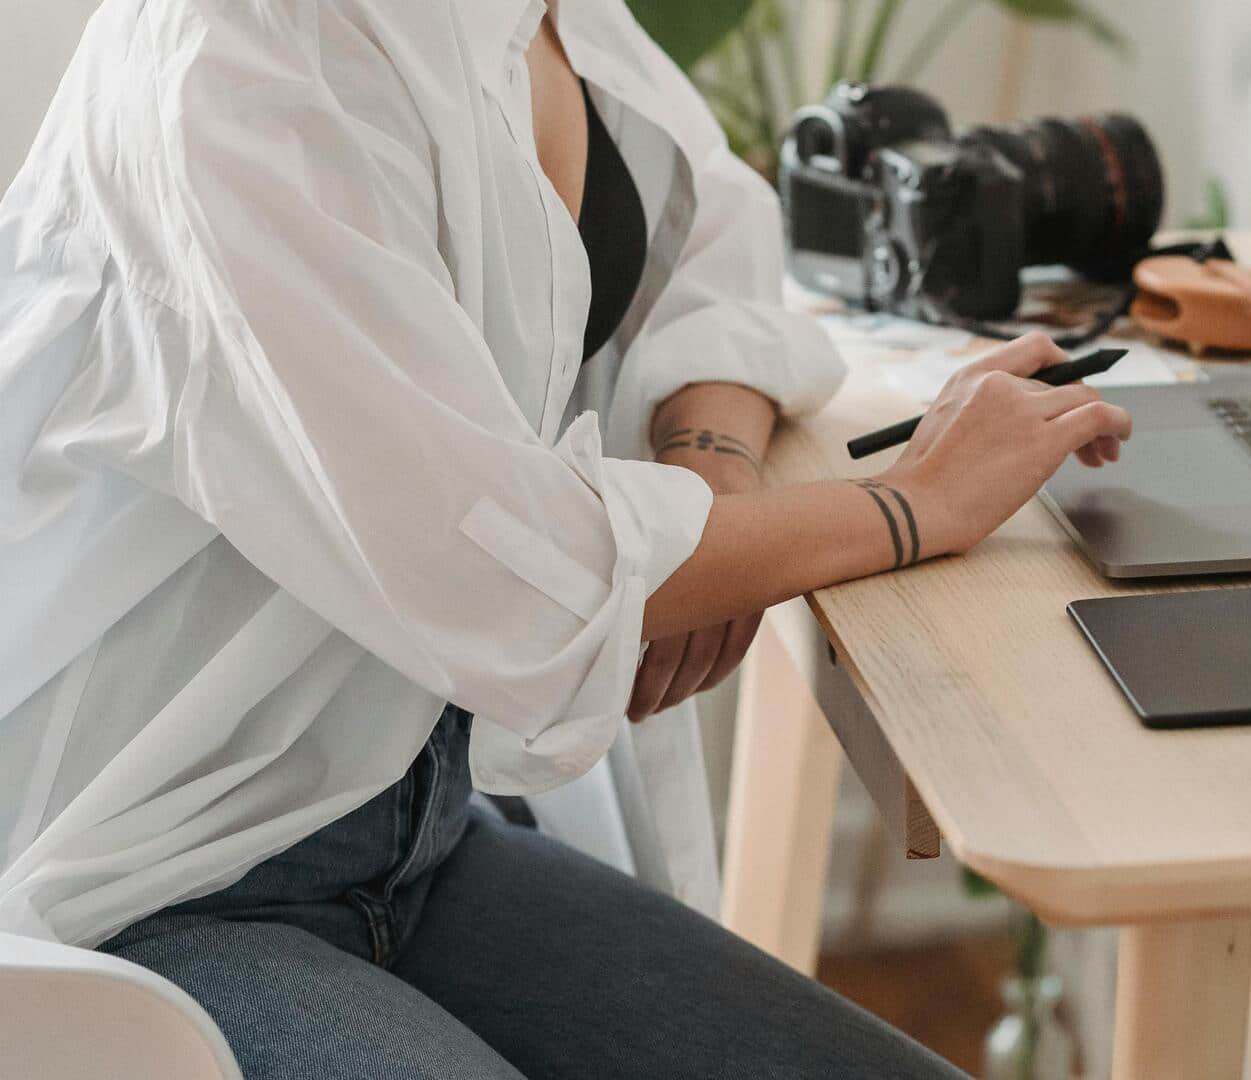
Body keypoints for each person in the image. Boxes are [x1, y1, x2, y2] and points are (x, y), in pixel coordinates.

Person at [0, 0, 1132, 1076]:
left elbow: (710, 233)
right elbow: (502, 575)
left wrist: (713, 460)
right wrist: (910, 505)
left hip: (410, 828)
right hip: (148, 880)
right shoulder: (244, 51)